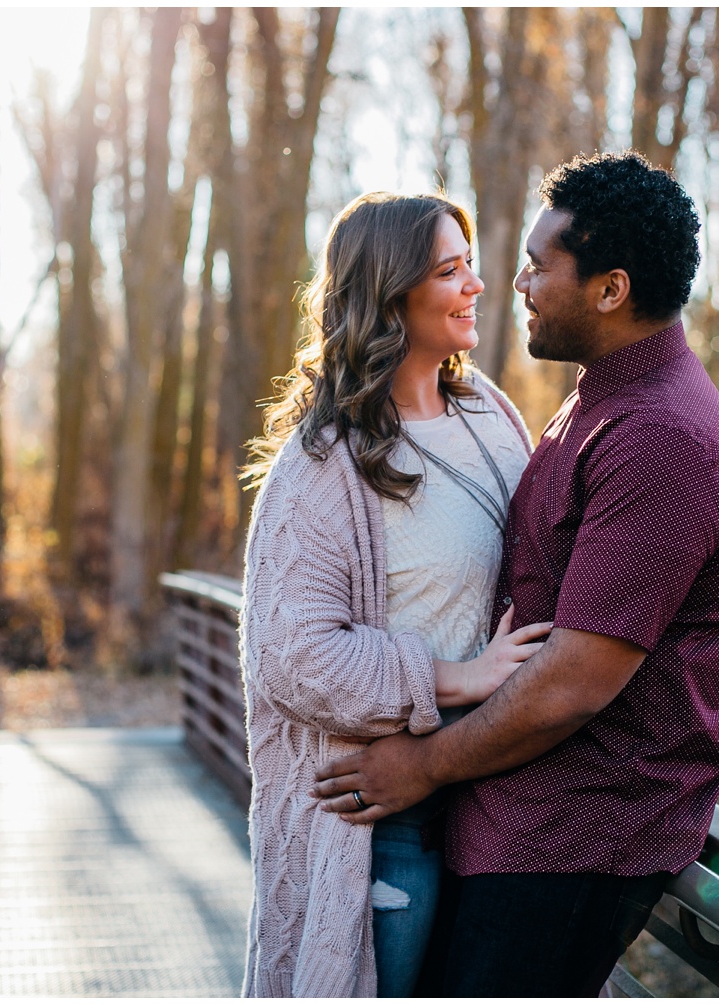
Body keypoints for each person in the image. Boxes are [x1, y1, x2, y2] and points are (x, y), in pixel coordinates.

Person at [312, 151, 719, 996]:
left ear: (609, 289)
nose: (513, 282)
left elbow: (572, 684)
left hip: (574, 837)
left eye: (538, 264)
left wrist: (425, 764)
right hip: (512, 820)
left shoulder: (661, 441)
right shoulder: (597, 403)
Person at [237, 192, 551, 997]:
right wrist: (461, 676)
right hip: (386, 822)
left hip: (498, 790)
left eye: (471, 264)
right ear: (391, 295)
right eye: (451, 270)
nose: (478, 285)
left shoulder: (490, 413)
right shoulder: (319, 465)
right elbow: (292, 656)